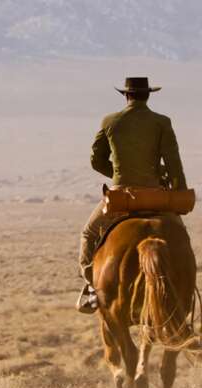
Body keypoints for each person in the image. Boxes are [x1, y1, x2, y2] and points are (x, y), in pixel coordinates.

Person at [77, 77, 187, 313]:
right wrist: (177, 191)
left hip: (120, 197)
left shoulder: (111, 121)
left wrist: (118, 173)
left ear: (126, 96)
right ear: (147, 96)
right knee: (181, 238)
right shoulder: (162, 122)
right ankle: (186, 290)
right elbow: (174, 162)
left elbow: (96, 161)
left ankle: (91, 288)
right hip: (156, 196)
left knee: (88, 234)